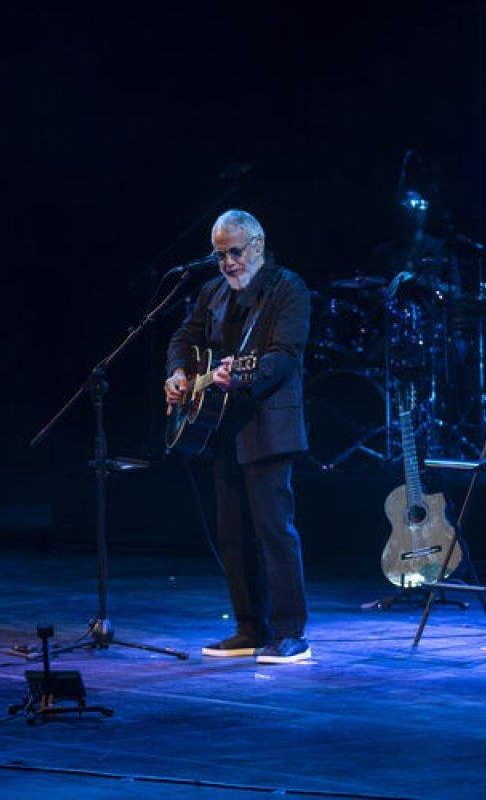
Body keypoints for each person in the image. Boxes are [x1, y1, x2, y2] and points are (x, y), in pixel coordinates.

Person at [164, 209, 313, 664]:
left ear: (257, 245)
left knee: (274, 530)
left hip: (269, 424)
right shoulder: (212, 293)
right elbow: (182, 337)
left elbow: (285, 355)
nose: (227, 263)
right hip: (221, 427)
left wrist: (244, 375)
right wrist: (177, 372)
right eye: (220, 255)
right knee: (232, 535)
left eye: (234, 252)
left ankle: (291, 633)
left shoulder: (287, 289)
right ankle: (250, 628)